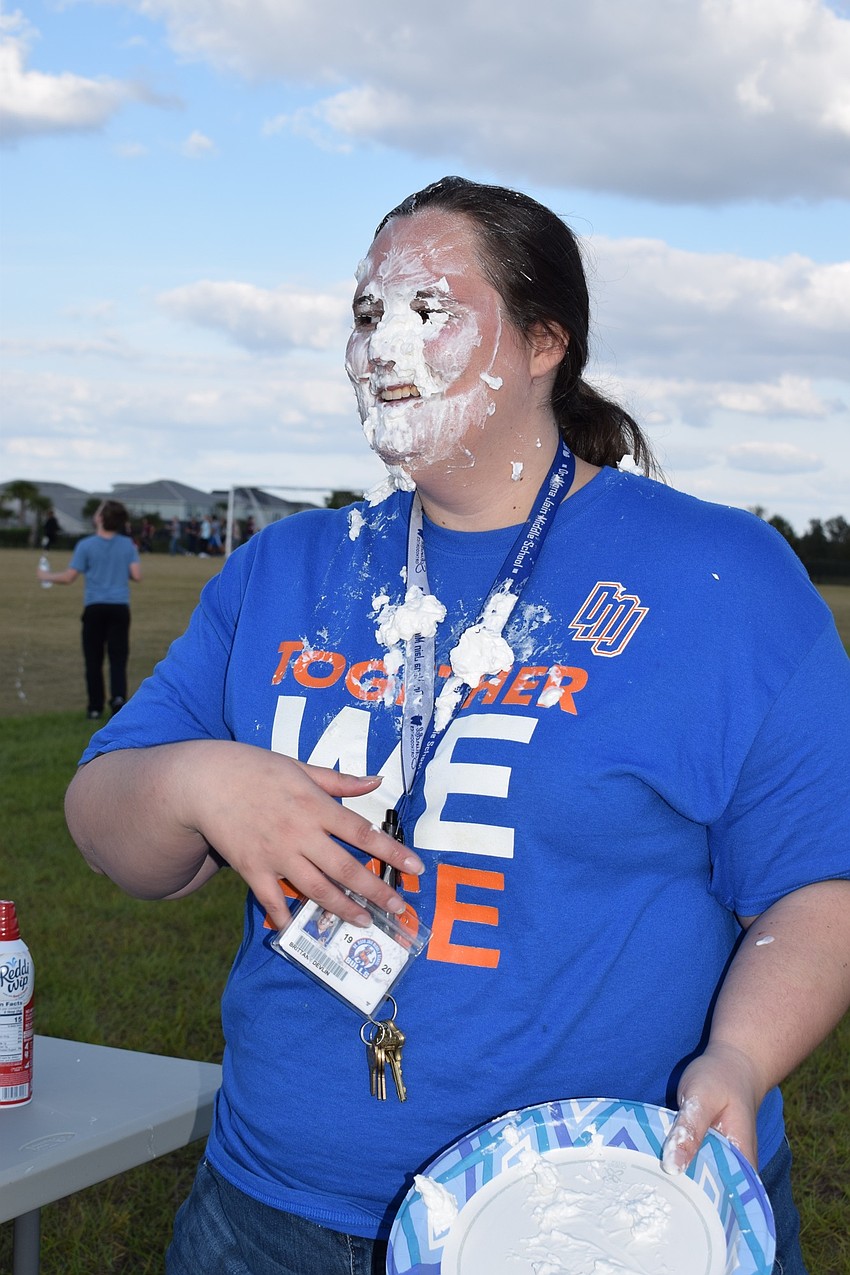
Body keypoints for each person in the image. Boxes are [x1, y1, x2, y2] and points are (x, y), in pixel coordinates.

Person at [63, 177, 850, 1275]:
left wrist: (742, 1057)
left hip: (596, 1212)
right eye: (365, 312)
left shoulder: (722, 579)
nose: (382, 343)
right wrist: (197, 782)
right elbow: (111, 831)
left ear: (543, 344)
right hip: (270, 1212)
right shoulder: (286, 570)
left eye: (428, 309)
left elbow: (815, 885)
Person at [40, 499, 142, 718]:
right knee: (118, 657)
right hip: (119, 608)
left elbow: (69, 577)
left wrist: (45, 576)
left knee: (93, 659)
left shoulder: (86, 545)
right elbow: (136, 575)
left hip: (94, 608)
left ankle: (95, 708)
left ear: (101, 518)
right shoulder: (127, 545)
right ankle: (118, 700)